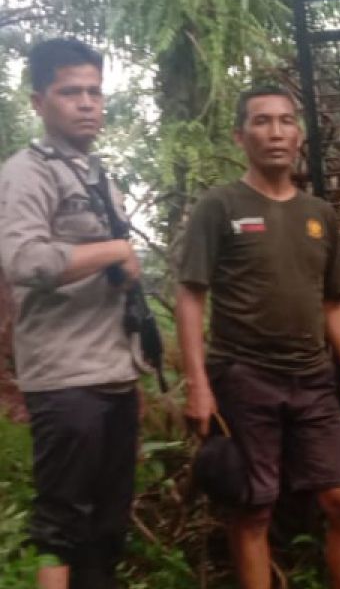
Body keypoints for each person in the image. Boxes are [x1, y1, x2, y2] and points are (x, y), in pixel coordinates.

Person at [176, 85, 340, 589]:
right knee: (253, 510)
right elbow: (191, 296)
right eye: (262, 122)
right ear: (240, 136)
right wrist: (197, 383)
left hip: (312, 378)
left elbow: (333, 303)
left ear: (300, 135)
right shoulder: (219, 206)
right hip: (243, 375)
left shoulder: (319, 215)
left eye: (286, 121)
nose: (276, 132)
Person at [0, 38, 143, 589]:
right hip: (64, 378)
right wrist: (115, 252)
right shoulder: (27, 173)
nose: (87, 103)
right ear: (39, 102)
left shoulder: (96, 173)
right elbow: (23, 259)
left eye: (95, 92)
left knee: (106, 532)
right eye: (71, 92)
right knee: (61, 527)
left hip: (113, 371)